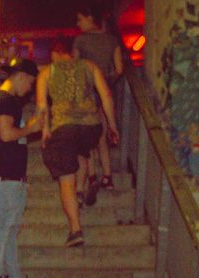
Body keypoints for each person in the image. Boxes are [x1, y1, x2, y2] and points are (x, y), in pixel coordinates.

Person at [36, 37, 119, 247]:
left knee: (66, 178)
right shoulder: (89, 66)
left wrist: (45, 130)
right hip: (90, 126)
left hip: (63, 128)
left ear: (54, 53)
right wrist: (112, 125)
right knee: (82, 151)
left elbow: (42, 106)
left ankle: (75, 230)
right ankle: (80, 191)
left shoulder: (47, 72)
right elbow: (106, 96)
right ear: (71, 52)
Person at [0, 57, 44, 278]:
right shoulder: (4, 100)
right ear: (21, 76)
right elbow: (6, 134)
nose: (29, 89)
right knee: (6, 225)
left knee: (11, 226)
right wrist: (31, 128)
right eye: (30, 82)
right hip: (5, 173)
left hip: (11, 174)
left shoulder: (7, 101)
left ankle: (13, 275)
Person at [74, 2, 124, 200]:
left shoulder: (80, 41)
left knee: (88, 133)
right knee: (102, 132)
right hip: (106, 91)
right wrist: (107, 79)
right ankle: (108, 176)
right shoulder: (112, 40)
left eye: (80, 19)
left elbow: (75, 67)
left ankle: (93, 174)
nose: (78, 23)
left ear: (90, 18)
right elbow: (119, 69)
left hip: (87, 92)